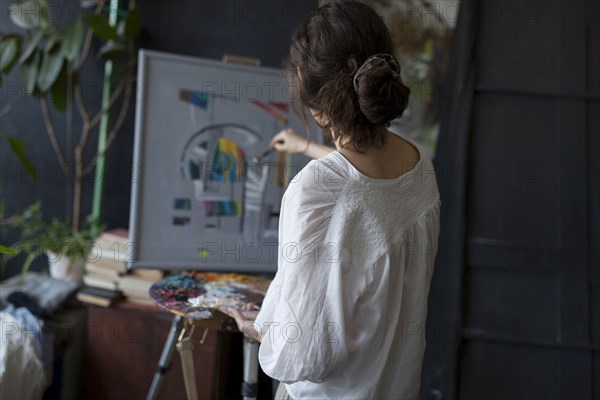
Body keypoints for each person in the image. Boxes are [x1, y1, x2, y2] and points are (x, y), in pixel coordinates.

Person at [227, 1, 441, 398]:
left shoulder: (315, 191)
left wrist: (259, 327)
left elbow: (301, 356)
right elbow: (368, 189)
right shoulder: (417, 163)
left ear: (311, 93)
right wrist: (305, 146)